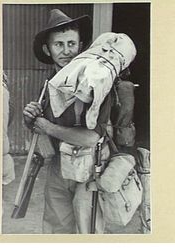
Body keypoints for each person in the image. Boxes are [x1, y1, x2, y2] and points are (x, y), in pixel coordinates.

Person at [23, 9, 113, 234]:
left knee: (88, 232)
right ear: (48, 49)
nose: (66, 51)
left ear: (81, 46)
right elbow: (39, 130)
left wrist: (47, 126)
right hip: (57, 167)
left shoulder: (98, 82)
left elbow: (92, 138)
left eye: (71, 44)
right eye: (59, 45)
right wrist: (31, 119)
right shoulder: (47, 85)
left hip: (90, 168)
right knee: (55, 231)